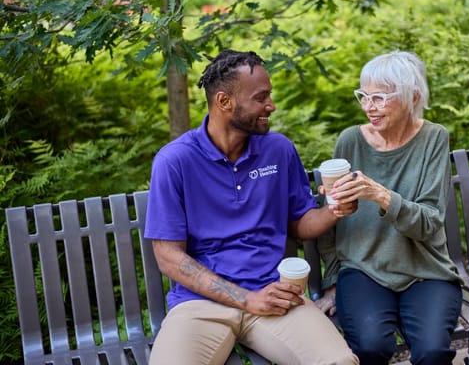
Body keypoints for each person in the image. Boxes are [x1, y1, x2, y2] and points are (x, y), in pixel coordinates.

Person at [144, 50, 358, 365]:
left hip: (275, 295)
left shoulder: (278, 150)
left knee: (340, 362)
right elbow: (169, 258)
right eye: (261, 98)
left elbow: (299, 222)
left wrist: (335, 209)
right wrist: (246, 299)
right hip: (200, 304)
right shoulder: (175, 161)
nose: (270, 106)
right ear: (224, 101)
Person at [315, 50, 463, 365]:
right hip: (362, 269)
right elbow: (333, 217)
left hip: (425, 270)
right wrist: (332, 282)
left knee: (433, 353)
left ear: (413, 96)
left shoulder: (433, 138)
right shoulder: (350, 141)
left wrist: (382, 196)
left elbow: (428, 223)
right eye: (364, 96)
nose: (369, 106)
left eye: (380, 98)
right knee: (370, 347)